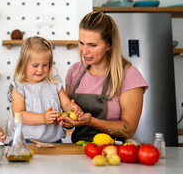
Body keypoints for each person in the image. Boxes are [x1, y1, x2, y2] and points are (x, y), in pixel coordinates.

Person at [58, 11, 148, 143]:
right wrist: (68, 121)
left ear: (108, 45)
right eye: (81, 43)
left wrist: (91, 121)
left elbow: (129, 128)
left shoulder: (129, 75)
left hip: (114, 152)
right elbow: (69, 114)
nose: (84, 51)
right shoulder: (74, 72)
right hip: (79, 150)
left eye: (92, 45)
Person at [7, 36, 82, 143]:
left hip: (55, 142)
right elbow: (19, 114)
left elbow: (65, 104)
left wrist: (73, 107)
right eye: (35, 65)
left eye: (45, 65)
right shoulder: (20, 86)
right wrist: (43, 118)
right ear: (23, 64)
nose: (40, 70)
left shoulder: (54, 83)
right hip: (27, 142)